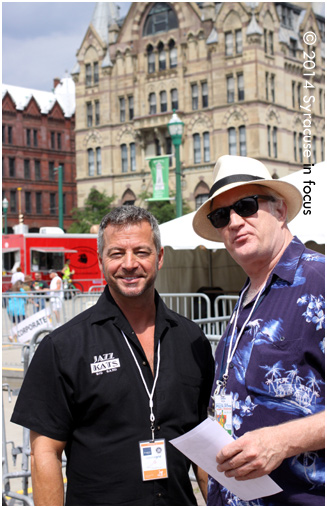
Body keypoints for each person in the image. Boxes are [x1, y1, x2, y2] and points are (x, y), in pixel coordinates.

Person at [11, 206, 215, 506]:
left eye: (141, 252)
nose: (129, 264)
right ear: (101, 261)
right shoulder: (63, 347)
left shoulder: (191, 339)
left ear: (159, 257)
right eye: (117, 253)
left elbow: (203, 441)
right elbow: (45, 453)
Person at [192, 155, 325, 506]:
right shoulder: (247, 296)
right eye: (222, 216)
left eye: (246, 206)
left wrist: (281, 442)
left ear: (280, 211)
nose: (234, 222)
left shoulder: (319, 280)